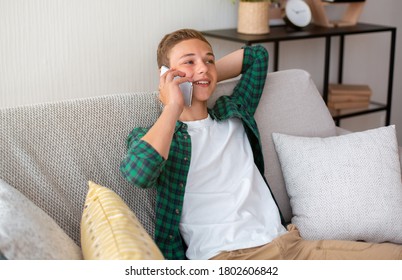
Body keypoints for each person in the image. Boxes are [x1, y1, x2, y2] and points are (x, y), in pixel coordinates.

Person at [120, 29, 402, 260]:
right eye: (189, 61)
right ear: (166, 74)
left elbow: (257, 56)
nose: (203, 67)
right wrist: (173, 106)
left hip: (291, 246)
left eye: (209, 59)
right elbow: (139, 173)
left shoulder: (233, 113)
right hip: (229, 259)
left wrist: (206, 74)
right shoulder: (154, 135)